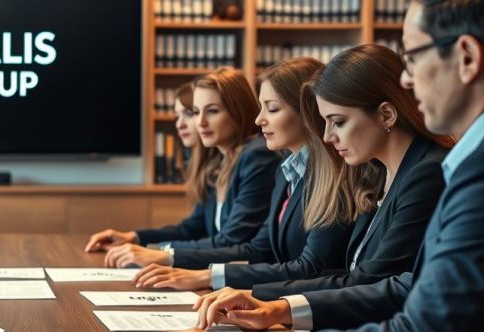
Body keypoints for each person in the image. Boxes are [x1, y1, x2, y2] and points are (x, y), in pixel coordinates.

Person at [134, 0, 484, 332]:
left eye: (414, 55)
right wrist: (279, 309)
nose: (406, 78)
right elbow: (403, 286)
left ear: (466, 56)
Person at [136, 46, 450, 292]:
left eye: (272, 109)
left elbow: (352, 278)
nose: (260, 120)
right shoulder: (318, 170)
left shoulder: (384, 172)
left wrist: (255, 296)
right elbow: (265, 249)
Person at [133, 57, 351, 290]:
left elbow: (310, 268)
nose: (260, 119)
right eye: (195, 112)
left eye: (273, 108)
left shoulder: (325, 174)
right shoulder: (286, 171)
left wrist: (197, 271)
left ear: (308, 110)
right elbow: (260, 248)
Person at [86, 67, 280, 268]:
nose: (200, 122)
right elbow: (193, 228)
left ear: (238, 110)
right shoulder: (221, 161)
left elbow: (231, 241)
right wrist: (134, 237)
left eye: (212, 111)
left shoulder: (256, 155)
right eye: (196, 112)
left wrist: (157, 251)